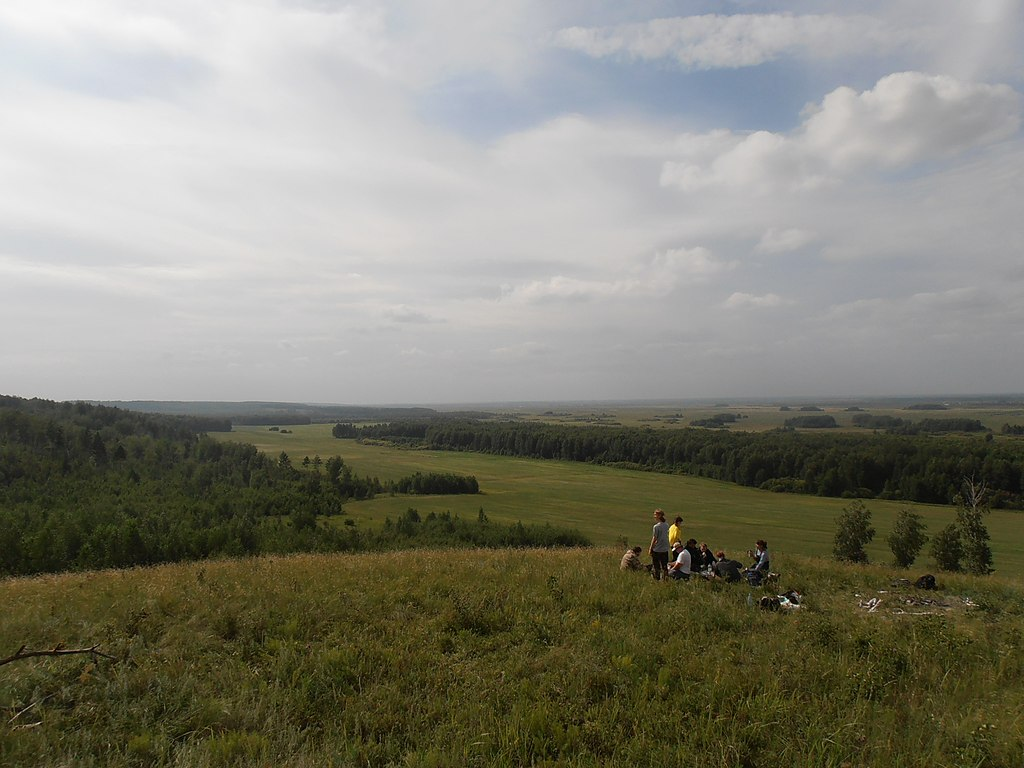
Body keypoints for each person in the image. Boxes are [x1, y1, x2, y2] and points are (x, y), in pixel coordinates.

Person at [649, 509, 671, 580]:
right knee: (664, 565)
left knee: (656, 566)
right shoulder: (666, 525)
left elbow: (654, 538)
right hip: (665, 548)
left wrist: (651, 548)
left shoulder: (656, 527)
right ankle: (665, 578)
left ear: (660, 515)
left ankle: (657, 578)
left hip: (658, 549)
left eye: (656, 515)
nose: (654, 516)